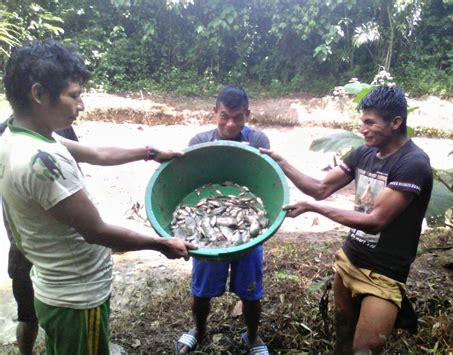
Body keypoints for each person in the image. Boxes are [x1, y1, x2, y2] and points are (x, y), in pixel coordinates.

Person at [0, 39, 196, 355]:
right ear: (38, 94)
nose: (81, 106)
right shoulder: (42, 162)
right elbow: (96, 231)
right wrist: (161, 244)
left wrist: (150, 152)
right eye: (73, 96)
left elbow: (95, 153)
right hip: (77, 298)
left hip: (53, 288)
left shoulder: (16, 134)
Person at [262, 86, 433, 354]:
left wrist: (315, 209)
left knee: (367, 347)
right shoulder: (363, 153)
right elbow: (319, 188)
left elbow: (376, 220)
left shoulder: (413, 163)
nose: (362, 129)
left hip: (385, 272)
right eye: (362, 121)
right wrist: (282, 162)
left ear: (396, 122)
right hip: (349, 260)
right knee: (342, 330)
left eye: (370, 122)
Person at [176, 85, 270, 354]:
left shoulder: (259, 141)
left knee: (251, 292)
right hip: (208, 228)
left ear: (247, 115)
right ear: (215, 112)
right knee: (201, 289)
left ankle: (252, 336)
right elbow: (193, 182)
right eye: (225, 116)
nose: (231, 123)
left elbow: (262, 178)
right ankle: (199, 329)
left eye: (238, 117)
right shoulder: (199, 142)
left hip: (244, 226)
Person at [0, 118, 78, 355]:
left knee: (62, 311)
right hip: (27, 246)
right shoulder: (7, 135)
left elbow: (78, 165)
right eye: (73, 95)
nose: (79, 105)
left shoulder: (61, 128)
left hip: (59, 244)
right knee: (28, 315)